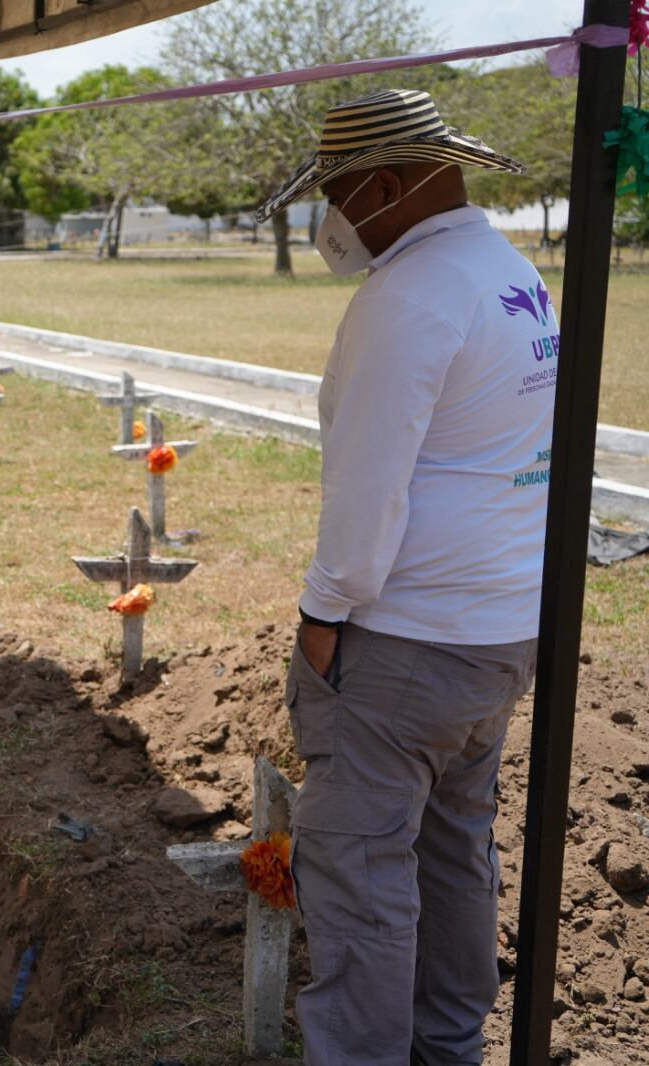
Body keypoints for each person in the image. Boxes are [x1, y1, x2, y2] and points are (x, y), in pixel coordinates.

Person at [258, 89, 550, 1065]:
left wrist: (322, 613)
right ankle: (447, 1046)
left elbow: (368, 487)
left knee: (358, 865)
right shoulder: (509, 273)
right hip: (498, 628)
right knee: (454, 845)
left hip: (405, 640)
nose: (333, 219)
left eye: (337, 194)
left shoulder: (405, 297)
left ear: (384, 186)